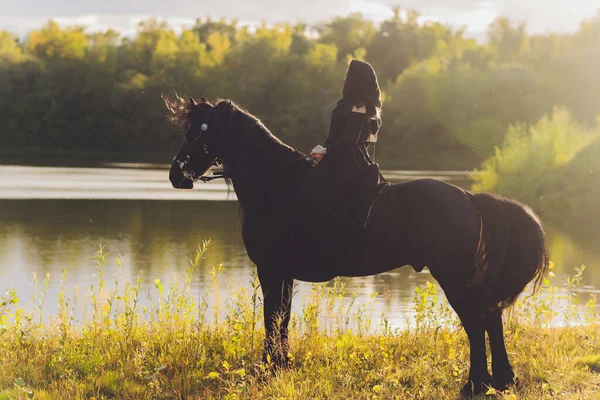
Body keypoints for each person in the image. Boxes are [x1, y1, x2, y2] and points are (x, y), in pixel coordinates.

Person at [285, 59, 384, 282]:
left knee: (311, 196)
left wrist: (326, 150)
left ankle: (323, 252)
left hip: (350, 165)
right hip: (338, 160)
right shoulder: (347, 103)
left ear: (356, 79)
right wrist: (323, 153)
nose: (344, 78)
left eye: (348, 74)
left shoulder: (359, 104)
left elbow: (350, 141)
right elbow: (337, 136)